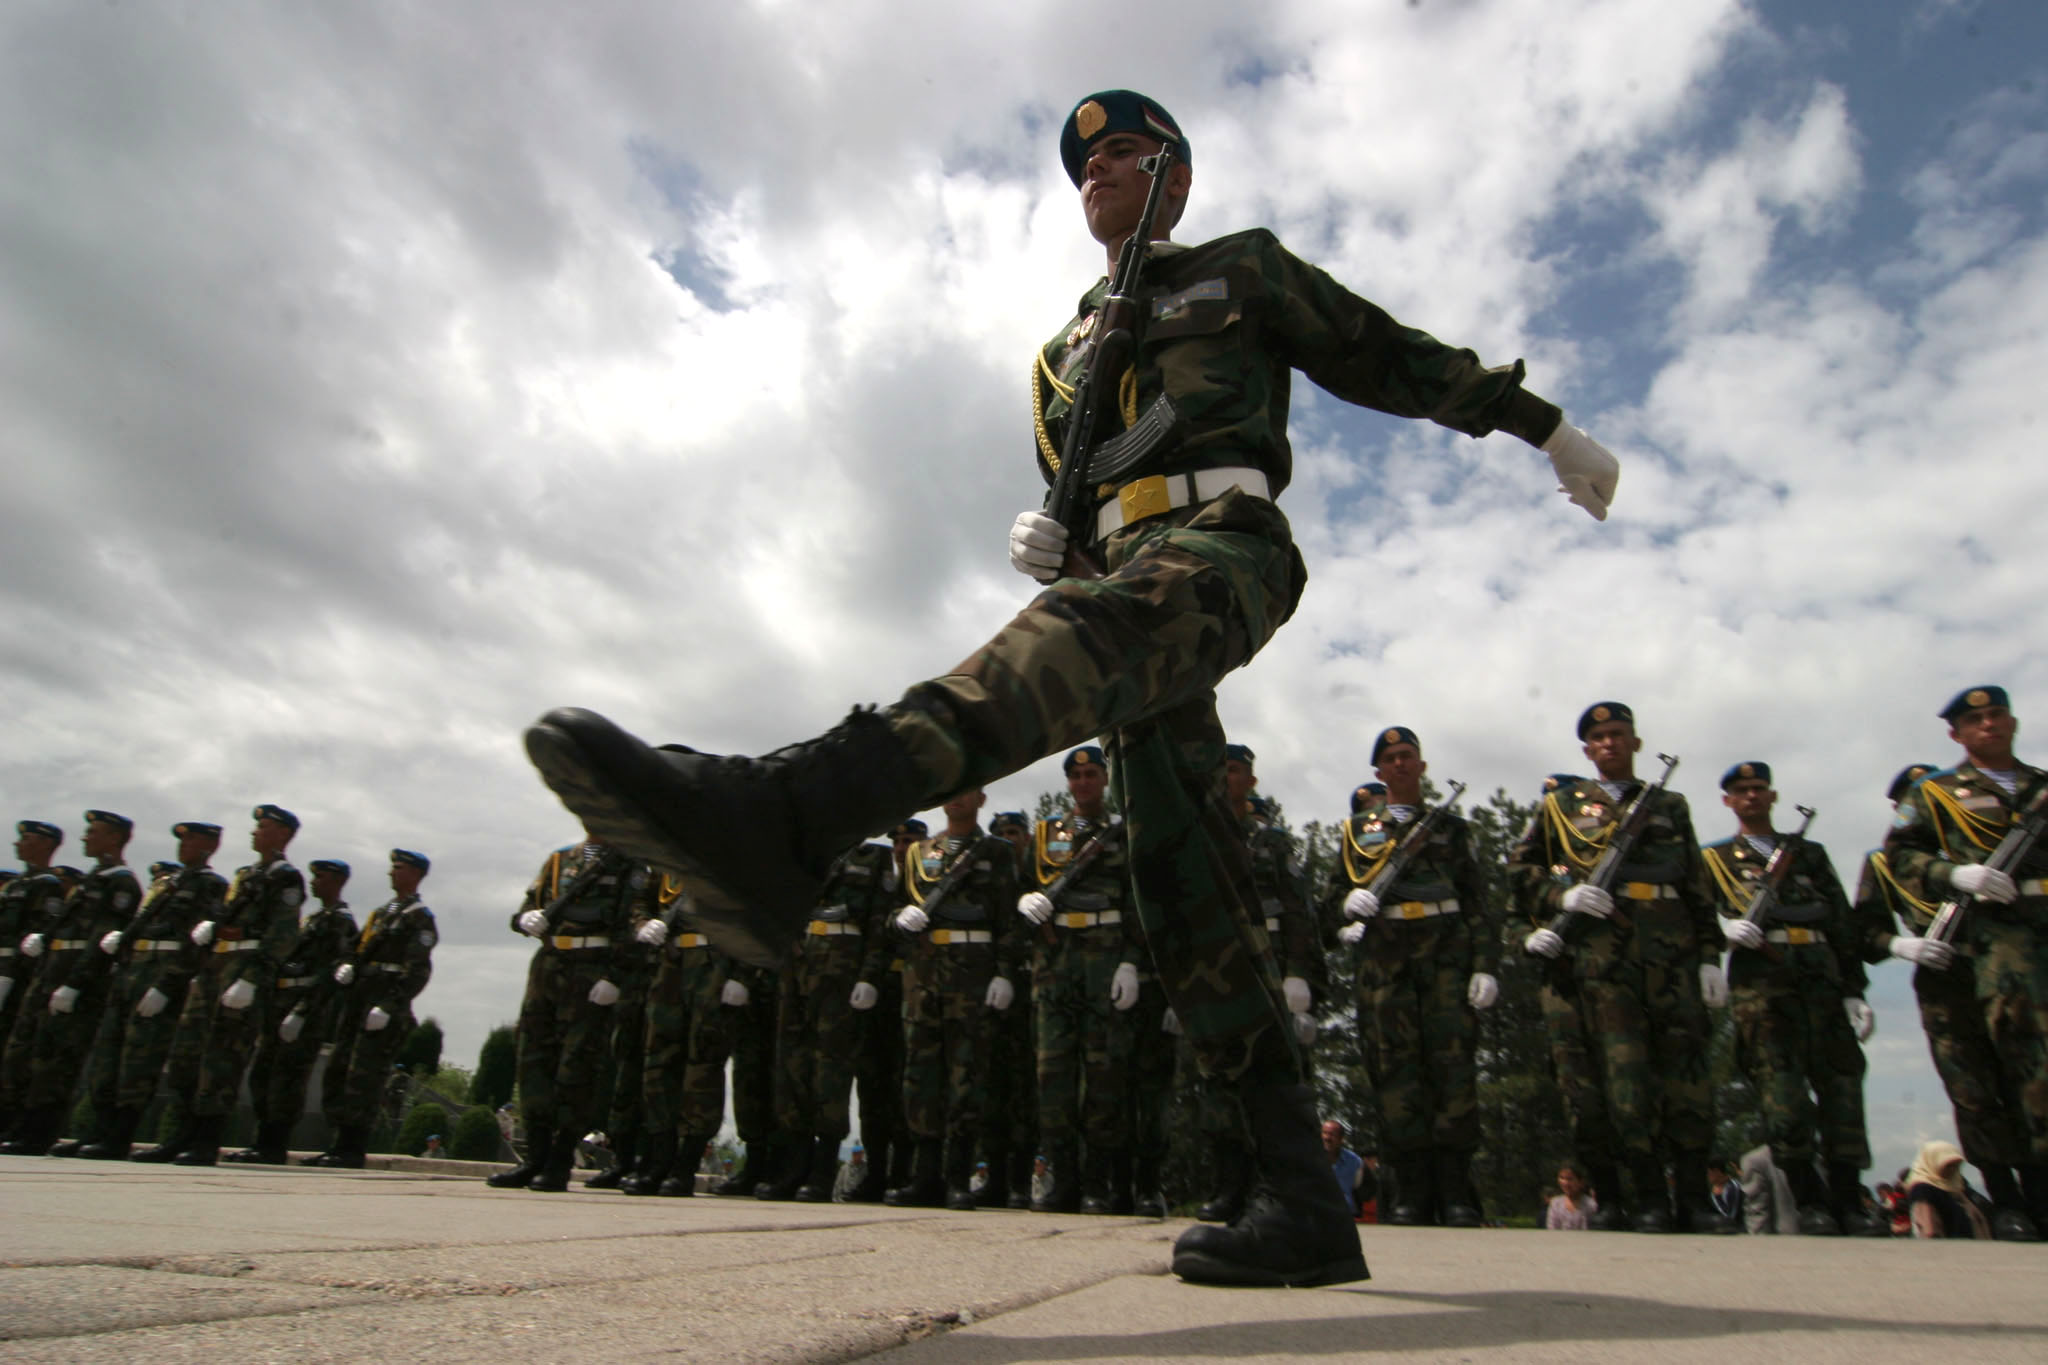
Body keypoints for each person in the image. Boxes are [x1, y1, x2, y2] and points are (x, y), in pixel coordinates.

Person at [521, 88, 1619, 1287]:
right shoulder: (1060, 356)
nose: (1098, 170)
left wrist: (1540, 426)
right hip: (1121, 580)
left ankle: (789, 810)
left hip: (1225, 546)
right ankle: (1298, 1195)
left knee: (1084, 639)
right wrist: (1058, 544)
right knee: (1179, 876)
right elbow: (1080, 494)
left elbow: (1384, 353)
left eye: (1125, 153)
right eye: (1084, 163)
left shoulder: (1241, 271)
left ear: (1175, 176)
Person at [1509, 705, 1728, 1234]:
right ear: (1587, 750)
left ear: (1635, 742)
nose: (1609, 743)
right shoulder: (1561, 805)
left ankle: (1694, 1197)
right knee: (1625, 1081)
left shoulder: (1669, 804)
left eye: (1617, 734)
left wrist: (1708, 956)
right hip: (1604, 962)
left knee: (1687, 1081)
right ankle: (1648, 1195)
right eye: (1599, 737)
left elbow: (1695, 885)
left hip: (1672, 958)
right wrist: (1562, 895)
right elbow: (1521, 867)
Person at [1882, 687, 2048, 1238]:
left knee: (2035, 1068)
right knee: (1991, 1074)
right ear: (1956, 734)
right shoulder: (1935, 792)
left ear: (2013, 721)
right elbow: (1900, 853)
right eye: (1975, 719)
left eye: (1996, 714)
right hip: (1983, 945)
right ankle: (2010, 1198)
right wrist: (1953, 873)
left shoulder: (2041, 787)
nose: (1988, 725)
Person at [1851, 764, 2035, 1237]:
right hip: (1946, 981)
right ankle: (2006, 1200)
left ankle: (2039, 1192)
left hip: (2011, 970)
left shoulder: (1990, 851)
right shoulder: (1884, 863)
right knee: (1971, 1089)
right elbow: (1864, 933)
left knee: (2029, 1080)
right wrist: (1901, 945)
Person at [1702, 762, 1882, 1235]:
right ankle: (1810, 1201)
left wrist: (1853, 991)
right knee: (1783, 1097)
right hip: (1763, 986)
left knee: (1843, 1091)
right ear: (1727, 801)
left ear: (1773, 796)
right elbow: (1697, 918)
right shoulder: (1714, 860)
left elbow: (1840, 921)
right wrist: (1722, 933)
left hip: (1821, 979)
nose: (1752, 796)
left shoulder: (1809, 854)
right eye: (1742, 790)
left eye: (1759, 788)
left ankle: (1850, 1201)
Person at [1335, 727, 1498, 1227]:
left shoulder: (1452, 829)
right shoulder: (1356, 831)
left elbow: (1478, 902)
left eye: (1408, 756)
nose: (1401, 764)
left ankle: (1456, 1191)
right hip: (1386, 965)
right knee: (1395, 1074)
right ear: (1379, 772)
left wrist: (1485, 965)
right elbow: (1329, 904)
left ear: (1422, 767)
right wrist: (1344, 909)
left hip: (1445, 958)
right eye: (1391, 759)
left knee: (1453, 1072)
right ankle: (1409, 1191)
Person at [139, 805, 305, 1166]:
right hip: (215, 970)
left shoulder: (286, 878)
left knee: (222, 1059)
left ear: (284, 834)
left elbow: (283, 935)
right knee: (187, 1055)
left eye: (264, 826)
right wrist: (212, 933)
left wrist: (251, 979)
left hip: (242, 971)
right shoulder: (246, 875)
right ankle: (180, 1135)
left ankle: (205, 1140)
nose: (255, 832)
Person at [487, 834, 654, 1192]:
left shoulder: (630, 866)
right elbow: (530, 904)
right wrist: (524, 918)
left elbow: (635, 925)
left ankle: (560, 1160)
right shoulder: (559, 860)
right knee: (533, 1062)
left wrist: (615, 977)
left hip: (592, 969)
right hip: (549, 966)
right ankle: (534, 1158)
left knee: (576, 1068)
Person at [884, 789, 1020, 1210]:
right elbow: (893, 913)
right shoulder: (919, 852)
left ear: (981, 799)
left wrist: (1005, 972)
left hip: (973, 973)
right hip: (925, 975)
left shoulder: (997, 852)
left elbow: (1008, 918)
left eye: (967, 790)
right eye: (953, 790)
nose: (957, 798)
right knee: (920, 1074)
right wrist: (899, 919)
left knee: (967, 1074)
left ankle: (958, 1176)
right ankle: (924, 1176)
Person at [1019, 745, 1135, 1214]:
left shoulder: (1123, 833)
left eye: (1091, 774)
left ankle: (1097, 1183)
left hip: (1105, 958)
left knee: (1104, 1075)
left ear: (1105, 779)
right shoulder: (1046, 835)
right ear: (1068, 782)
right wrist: (1025, 900)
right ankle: (1062, 1179)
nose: (1083, 782)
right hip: (1056, 960)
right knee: (1053, 1074)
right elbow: (1021, 888)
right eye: (1076, 775)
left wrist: (1131, 961)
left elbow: (1137, 902)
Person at [71, 824, 225, 1159]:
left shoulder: (210, 885)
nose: (183, 844)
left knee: (140, 1058)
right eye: (181, 838)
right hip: (133, 972)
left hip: (160, 976)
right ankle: (99, 1130)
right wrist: (123, 945)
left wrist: (168, 985)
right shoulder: (169, 883)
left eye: (191, 838)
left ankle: (119, 1135)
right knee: (109, 1055)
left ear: (210, 845)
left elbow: (196, 944)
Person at [757, 837, 894, 1202]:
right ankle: (795, 1164)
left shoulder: (873, 857)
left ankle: (822, 1168)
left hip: (841, 969)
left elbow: (879, 922)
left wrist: (869, 975)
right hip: (798, 964)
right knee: (792, 1065)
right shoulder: (804, 850)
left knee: (831, 1068)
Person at [3, 812, 140, 1154]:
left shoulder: (120, 883)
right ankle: (17, 1127)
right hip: (51, 973)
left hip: (77, 980)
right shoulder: (92, 880)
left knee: (57, 1060)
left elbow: (101, 940)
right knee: (27, 1053)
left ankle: (38, 1133)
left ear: (114, 838)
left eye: (93, 832)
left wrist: (76, 983)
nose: (85, 838)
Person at [306, 850, 437, 1169]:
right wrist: (347, 964)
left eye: (399, 868)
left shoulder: (419, 917)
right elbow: (354, 948)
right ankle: (337, 1142)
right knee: (338, 1070)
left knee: (364, 1077)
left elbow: (418, 970)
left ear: (416, 874)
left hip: (383, 1006)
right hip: (359, 1002)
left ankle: (352, 1146)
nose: (391, 873)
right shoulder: (380, 914)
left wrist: (389, 1005)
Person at [620, 874, 730, 1197]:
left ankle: (686, 1165)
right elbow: (641, 901)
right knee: (658, 1063)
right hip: (669, 964)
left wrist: (742, 975)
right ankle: (659, 1162)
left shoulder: (735, 856)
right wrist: (642, 923)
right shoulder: (669, 858)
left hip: (715, 962)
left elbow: (754, 916)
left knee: (703, 1064)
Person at [1904, 1139, 1993, 1239]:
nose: (1952, 1170)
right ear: (1933, 1163)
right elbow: (1929, 1229)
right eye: (1948, 1166)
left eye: (1956, 1165)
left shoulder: (1957, 1189)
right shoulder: (1923, 1190)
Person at [1321, 1119, 1364, 1215]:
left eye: (1332, 1134)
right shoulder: (1310, 1157)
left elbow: (1356, 1185)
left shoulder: (1354, 1161)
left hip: (1344, 1214)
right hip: (1316, 1213)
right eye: (1324, 1133)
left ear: (1341, 1138)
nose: (1327, 1137)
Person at [1546, 1164, 1597, 1229]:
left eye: (1569, 1179)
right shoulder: (1555, 1204)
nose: (1565, 1183)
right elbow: (1551, 1229)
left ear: (1581, 1182)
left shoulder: (1590, 1204)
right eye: (1562, 1178)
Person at [1707, 1157, 1743, 1226]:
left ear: (1717, 1171)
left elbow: (1733, 1214)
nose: (1708, 1176)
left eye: (1709, 1173)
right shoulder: (1714, 1192)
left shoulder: (1733, 1186)